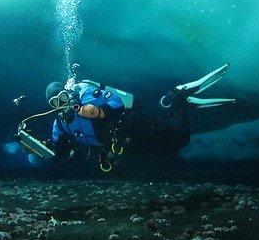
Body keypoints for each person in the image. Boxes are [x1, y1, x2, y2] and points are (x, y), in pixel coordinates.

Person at [31, 64, 234, 172]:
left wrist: (99, 112)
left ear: (69, 93)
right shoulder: (60, 124)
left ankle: (179, 96)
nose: (62, 104)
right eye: (55, 103)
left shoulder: (84, 94)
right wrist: (42, 147)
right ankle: (185, 102)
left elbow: (116, 102)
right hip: (123, 145)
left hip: (133, 126)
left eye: (63, 97)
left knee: (181, 138)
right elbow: (61, 150)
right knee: (169, 150)